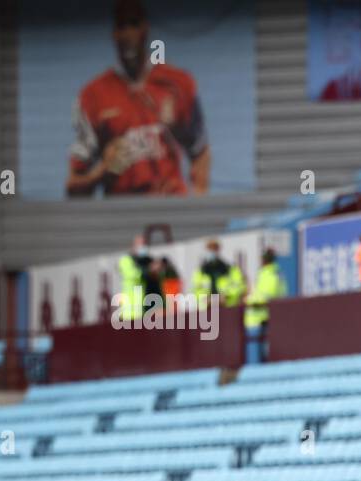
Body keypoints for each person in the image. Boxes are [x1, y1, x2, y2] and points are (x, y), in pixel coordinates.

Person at [66, 0, 209, 197]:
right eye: (121, 26)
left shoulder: (177, 84)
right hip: (122, 213)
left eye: (133, 24)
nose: (128, 34)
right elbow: (73, 187)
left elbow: (200, 152)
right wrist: (101, 173)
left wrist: (198, 200)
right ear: (114, 35)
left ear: (145, 29)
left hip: (171, 208)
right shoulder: (93, 96)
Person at [244, 248, 287, 364]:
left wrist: (249, 300)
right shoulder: (264, 272)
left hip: (263, 316)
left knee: (263, 351)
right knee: (255, 350)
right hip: (258, 317)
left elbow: (268, 295)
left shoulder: (272, 273)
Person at [116, 235, 160, 321]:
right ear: (133, 246)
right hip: (129, 312)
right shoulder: (125, 260)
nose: (143, 247)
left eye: (144, 244)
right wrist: (150, 270)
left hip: (145, 310)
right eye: (140, 244)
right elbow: (134, 274)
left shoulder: (147, 261)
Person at [192, 239, 245, 307]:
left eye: (214, 249)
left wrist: (227, 295)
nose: (212, 252)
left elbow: (239, 286)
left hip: (227, 307)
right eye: (210, 249)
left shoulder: (230, 269)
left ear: (218, 250)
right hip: (207, 309)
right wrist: (205, 298)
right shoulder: (200, 272)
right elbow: (195, 289)